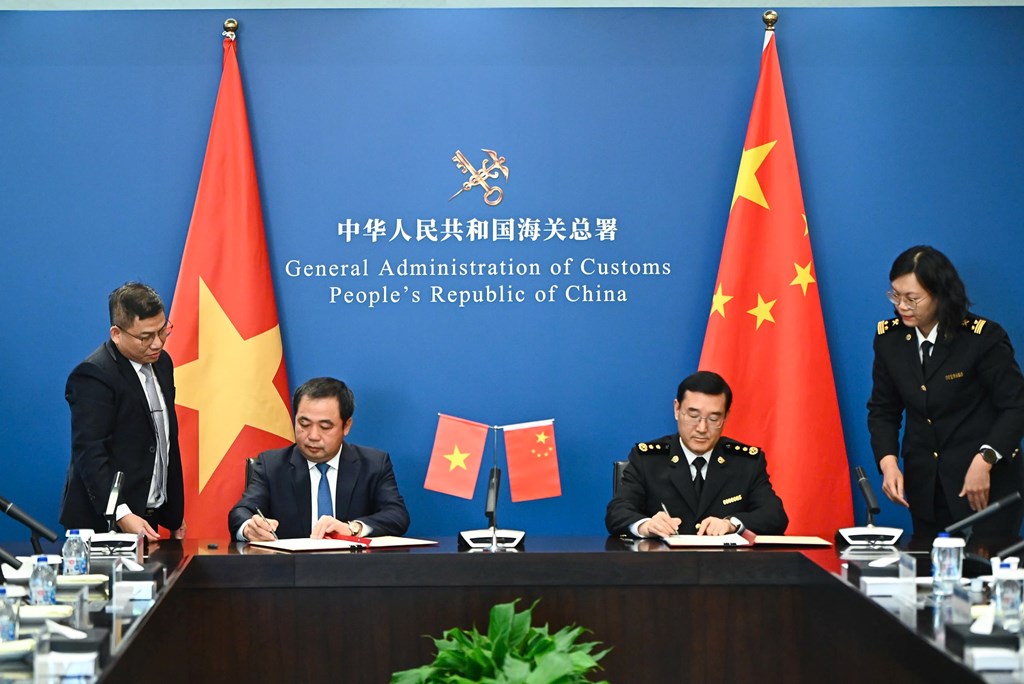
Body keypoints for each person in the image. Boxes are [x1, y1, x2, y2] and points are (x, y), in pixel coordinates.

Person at [868, 245, 1024, 539]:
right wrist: (888, 463)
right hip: (926, 488)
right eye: (896, 295)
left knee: (985, 566)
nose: (902, 306)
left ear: (940, 294)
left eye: (912, 298)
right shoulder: (890, 339)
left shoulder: (981, 338)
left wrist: (986, 459)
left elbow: (1016, 406)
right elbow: (883, 410)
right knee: (928, 565)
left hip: (984, 484)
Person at [60, 282, 185, 540]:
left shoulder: (162, 363)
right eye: (145, 337)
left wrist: (173, 511)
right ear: (116, 334)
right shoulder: (94, 375)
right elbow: (90, 454)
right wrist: (121, 513)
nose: (157, 343)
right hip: (103, 524)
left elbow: (163, 439)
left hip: (149, 518)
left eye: (163, 331)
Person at [605, 371, 788, 537]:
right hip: (663, 562)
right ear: (677, 410)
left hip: (725, 563)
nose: (702, 428)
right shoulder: (648, 459)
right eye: (693, 416)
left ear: (726, 416)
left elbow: (775, 516)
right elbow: (617, 511)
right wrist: (646, 525)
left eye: (714, 418)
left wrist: (732, 524)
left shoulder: (746, 463)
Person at [229, 377, 410, 541]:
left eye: (325, 427)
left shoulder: (373, 464)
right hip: (291, 566)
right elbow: (241, 512)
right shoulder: (272, 465)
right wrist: (249, 528)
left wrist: (353, 528)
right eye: (304, 424)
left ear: (346, 426)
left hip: (353, 566)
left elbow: (397, 515)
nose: (313, 436)